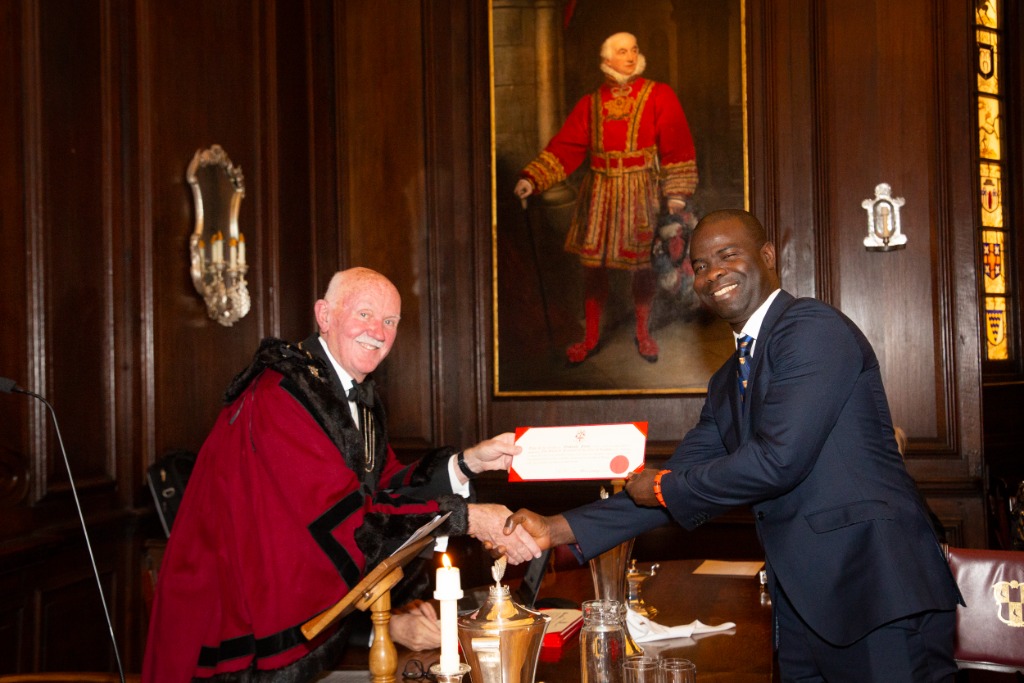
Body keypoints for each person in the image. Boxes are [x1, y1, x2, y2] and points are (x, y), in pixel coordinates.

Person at [504, 210, 964, 682]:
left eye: (728, 255)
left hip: (876, 592)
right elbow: (676, 482)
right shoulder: (728, 381)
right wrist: (553, 529)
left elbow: (777, 460)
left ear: (767, 256)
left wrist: (662, 487)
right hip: (803, 606)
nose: (713, 274)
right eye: (701, 266)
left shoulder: (812, 328)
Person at [143, 267, 541, 682]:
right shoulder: (282, 394)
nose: (378, 332)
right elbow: (345, 520)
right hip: (227, 616)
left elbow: (385, 488)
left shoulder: (350, 394)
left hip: (282, 600)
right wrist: (468, 518)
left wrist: (467, 463)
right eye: (364, 314)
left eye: (390, 321)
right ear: (325, 315)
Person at [514, 32, 697, 364]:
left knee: (642, 268)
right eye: (622, 51)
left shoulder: (658, 95)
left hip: (640, 192)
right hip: (599, 194)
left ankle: (643, 333)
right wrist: (533, 178)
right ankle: (591, 337)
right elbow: (566, 147)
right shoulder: (591, 103)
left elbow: (677, 143)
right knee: (593, 270)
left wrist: (676, 194)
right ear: (607, 60)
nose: (630, 56)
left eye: (634, 50)